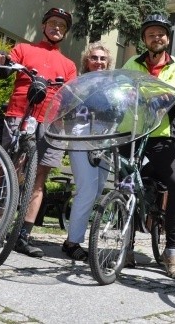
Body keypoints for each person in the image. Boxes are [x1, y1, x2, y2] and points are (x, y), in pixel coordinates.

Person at [0, 7, 77, 258]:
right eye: (52, 23)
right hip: (21, 113)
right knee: (11, 171)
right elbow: (4, 71)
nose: (57, 28)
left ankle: (23, 235)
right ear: (43, 25)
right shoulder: (24, 49)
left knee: (39, 177)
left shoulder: (69, 65)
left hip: (51, 123)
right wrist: (1, 61)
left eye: (62, 26)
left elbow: (71, 97)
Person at [122, 14, 175, 280]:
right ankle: (125, 247)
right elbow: (124, 84)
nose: (156, 37)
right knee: (124, 186)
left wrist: (146, 91)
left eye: (161, 33)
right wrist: (155, 91)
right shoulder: (132, 62)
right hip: (132, 132)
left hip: (160, 135)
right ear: (144, 40)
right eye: (151, 34)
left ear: (168, 38)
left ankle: (171, 250)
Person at [62, 42, 113, 260]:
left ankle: (78, 237)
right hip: (82, 135)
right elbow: (65, 108)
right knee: (87, 190)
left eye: (102, 58)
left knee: (97, 189)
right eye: (94, 57)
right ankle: (72, 242)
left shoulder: (113, 84)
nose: (98, 61)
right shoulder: (78, 83)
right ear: (87, 61)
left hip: (106, 138)